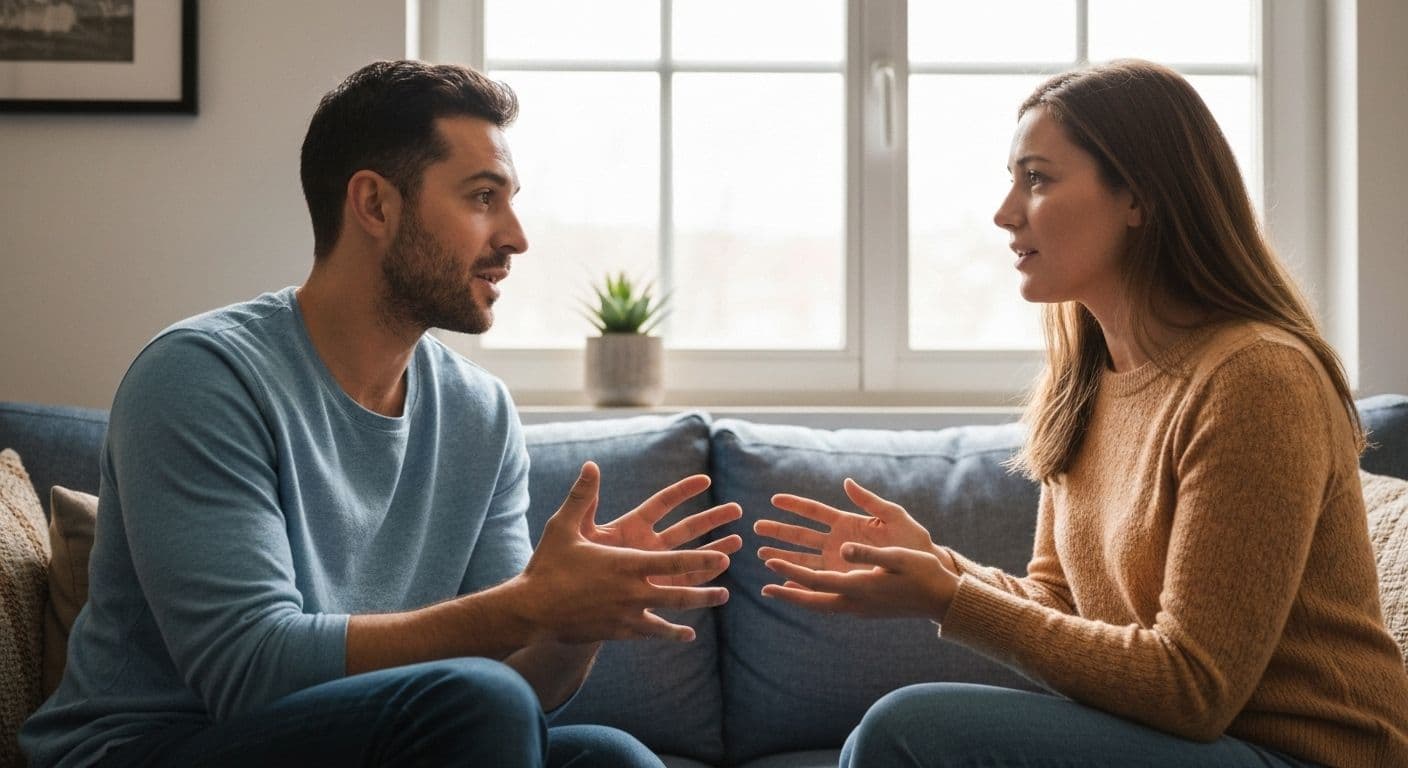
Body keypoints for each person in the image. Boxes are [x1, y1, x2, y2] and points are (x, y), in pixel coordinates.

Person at [21, 60, 742, 768]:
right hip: (157, 745)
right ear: (374, 205)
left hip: (372, 737)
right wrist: (526, 607)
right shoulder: (201, 377)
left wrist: (574, 617)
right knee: (474, 701)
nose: (517, 238)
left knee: (607, 755)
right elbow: (247, 673)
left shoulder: (478, 412)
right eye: (483, 197)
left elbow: (523, 688)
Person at [753, 59, 1408, 768]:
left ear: (1139, 196)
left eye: (1036, 178)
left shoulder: (1256, 377)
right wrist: (936, 567)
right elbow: (1060, 603)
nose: (1006, 212)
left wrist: (949, 599)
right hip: (1198, 744)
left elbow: (1194, 688)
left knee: (904, 730)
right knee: (877, 737)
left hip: (1305, 754)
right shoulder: (1088, 380)